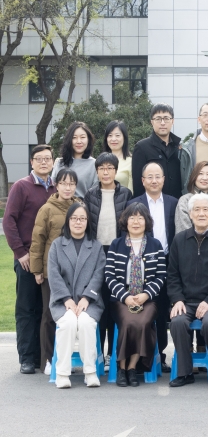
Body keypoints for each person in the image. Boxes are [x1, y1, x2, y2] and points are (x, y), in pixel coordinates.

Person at [168, 193, 208, 388]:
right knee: (177, 322)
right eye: (197, 210)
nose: (201, 213)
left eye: (205, 209)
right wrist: (177, 299)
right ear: (190, 214)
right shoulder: (179, 240)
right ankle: (185, 372)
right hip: (185, 301)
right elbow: (172, 275)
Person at [4, 144, 57, 374]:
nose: (44, 162)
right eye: (39, 159)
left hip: (50, 260)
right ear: (32, 162)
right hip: (26, 257)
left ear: (53, 162)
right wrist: (20, 252)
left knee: (45, 308)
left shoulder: (57, 188)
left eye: (48, 158)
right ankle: (26, 357)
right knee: (26, 308)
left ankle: (40, 356)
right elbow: (9, 221)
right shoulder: (21, 186)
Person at [105, 203, 167, 387]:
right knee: (128, 322)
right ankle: (121, 368)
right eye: (132, 217)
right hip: (121, 299)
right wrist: (125, 297)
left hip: (148, 299)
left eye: (140, 218)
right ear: (126, 221)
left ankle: (132, 368)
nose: (136, 222)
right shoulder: (116, 244)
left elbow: (161, 276)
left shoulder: (156, 245)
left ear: (146, 221)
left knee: (142, 322)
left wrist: (146, 295)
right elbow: (109, 275)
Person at [47, 203, 106, 388]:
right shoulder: (57, 245)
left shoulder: (96, 246)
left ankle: (90, 372)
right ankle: (62, 374)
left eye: (82, 218)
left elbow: (99, 274)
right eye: (74, 218)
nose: (78, 222)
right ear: (68, 221)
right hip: (62, 301)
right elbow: (53, 274)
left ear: (87, 221)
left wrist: (87, 297)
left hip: (90, 301)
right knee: (68, 323)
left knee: (87, 323)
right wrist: (66, 299)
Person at [127, 161, 178, 371]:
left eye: (158, 176)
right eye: (150, 177)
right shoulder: (134, 204)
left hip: (168, 260)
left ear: (164, 180)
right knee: (145, 308)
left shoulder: (173, 203)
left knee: (162, 309)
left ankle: (160, 356)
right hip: (142, 262)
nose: (154, 180)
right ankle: (141, 356)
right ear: (142, 181)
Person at [30, 168, 80, 375]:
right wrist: (37, 270)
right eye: (64, 183)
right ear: (56, 185)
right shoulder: (47, 209)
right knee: (50, 315)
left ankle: (67, 357)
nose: (68, 188)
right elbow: (37, 241)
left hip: (75, 272)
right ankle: (48, 360)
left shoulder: (79, 207)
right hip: (52, 272)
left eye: (71, 184)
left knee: (72, 316)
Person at [83, 152, 132, 362]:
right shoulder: (90, 194)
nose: (105, 172)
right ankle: (99, 354)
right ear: (97, 171)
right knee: (99, 301)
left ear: (115, 171)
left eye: (109, 168)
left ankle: (113, 352)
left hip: (117, 251)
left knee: (115, 302)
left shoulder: (126, 194)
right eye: (101, 168)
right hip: (96, 252)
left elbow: (128, 225)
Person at [131, 103, 182, 198]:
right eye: (158, 119)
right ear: (152, 122)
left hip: (177, 202)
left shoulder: (179, 147)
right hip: (151, 203)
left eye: (166, 118)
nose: (162, 123)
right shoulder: (142, 147)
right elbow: (138, 184)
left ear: (172, 121)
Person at [51, 121, 98, 199]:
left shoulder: (94, 164)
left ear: (88, 139)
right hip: (60, 205)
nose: (79, 141)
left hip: (84, 205)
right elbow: (52, 188)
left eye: (82, 137)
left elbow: (95, 194)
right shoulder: (60, 163)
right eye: (74, 137)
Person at [176, 161, 208, 234]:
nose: (204, 178)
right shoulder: (184, 201)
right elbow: (182, 232)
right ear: (194, 177)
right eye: (200, 174)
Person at [100, 120, 133, 193]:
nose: (113, 139)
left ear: (124, 138)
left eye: (117, 135)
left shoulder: (131, 162)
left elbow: (131, 192)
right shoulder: (100, 161)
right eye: (110, 135)